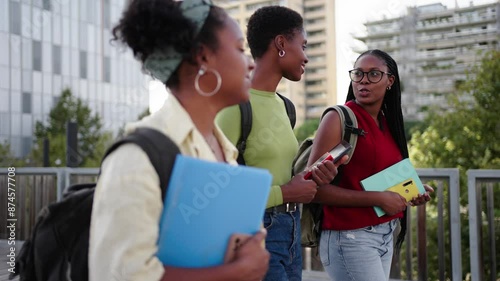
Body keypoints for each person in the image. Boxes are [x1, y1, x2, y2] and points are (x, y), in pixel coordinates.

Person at [88, 0, 270, 280]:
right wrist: (237, 271)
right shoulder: (137, 157)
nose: (249, 63)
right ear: (203, 56)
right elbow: (122, 275)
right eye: (239, 49)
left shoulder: (226, 150)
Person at [216, 6, 345, 281]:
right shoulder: (233, 106)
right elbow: (217, 192)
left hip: (291, 231)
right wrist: (285, 193)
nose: (307, 57)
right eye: (304, 45)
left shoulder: (286, 107)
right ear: (281, 43)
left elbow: (283, 176)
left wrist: (315, 177)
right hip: (253, 233)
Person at [306, 49, 434, 281]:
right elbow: (313, 190)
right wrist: (378, 198)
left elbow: (374, 177)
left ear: (390, 81)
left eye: (374, 74)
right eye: (358, 74)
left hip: (384, 234)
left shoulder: (387, 123)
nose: (364, 80)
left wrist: (410, 190)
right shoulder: (338, 119)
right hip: (349, 238)